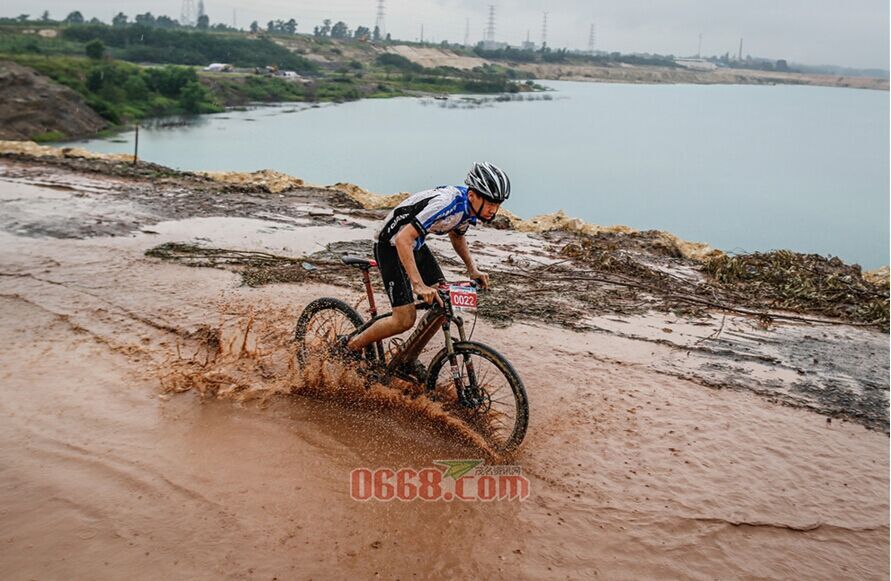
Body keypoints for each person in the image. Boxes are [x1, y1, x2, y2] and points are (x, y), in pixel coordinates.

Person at [337, 161, 511, 359]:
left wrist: (473, 269)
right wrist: (418, 285)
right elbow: (402, 239)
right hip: (390, 244)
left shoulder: (468, 210)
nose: (494, 210)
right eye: (490, 204)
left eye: (497, 205)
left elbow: (457, 235)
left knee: (443, 301)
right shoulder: (446, 203)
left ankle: (406, 359)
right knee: (404, 319)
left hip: (414, 244)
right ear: (472, 195)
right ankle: (349, 346)